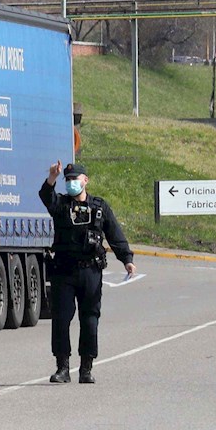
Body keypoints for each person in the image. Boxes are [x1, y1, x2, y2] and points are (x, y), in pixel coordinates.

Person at [39, 162, 134, 384]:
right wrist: (52, 177)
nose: (72, 183)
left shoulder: (99, 208)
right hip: (64, 270)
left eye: (76, 179)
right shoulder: (61, 205)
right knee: (61, 319)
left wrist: (127, 260)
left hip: (90, 271)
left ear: (85, 180)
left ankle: (86, 367)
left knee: (90, 319)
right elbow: (46, 196)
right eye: (68, 179)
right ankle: (62, 367)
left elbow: (115, 234)